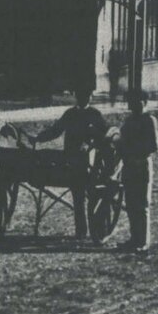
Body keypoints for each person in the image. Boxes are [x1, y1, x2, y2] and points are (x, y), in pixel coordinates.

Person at [30, 82, 110, 239]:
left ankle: (97, 231)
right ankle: (81, 232)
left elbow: (106, 137)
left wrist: (95, 140)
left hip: (92, 164)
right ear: (76, 97)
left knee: (92, 198)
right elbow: (55, 131)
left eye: (86, 96)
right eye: (80, 96)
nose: (83, 99)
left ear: (90, 97)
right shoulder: (70, 114)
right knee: (78, 198)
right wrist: (38, 138)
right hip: (72, 161)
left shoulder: (95, 115)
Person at [116, 89, 158, 253]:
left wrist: (133, 149)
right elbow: (121, 142)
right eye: (132, 103)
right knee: (130, 203)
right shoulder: (128, 122)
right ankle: (134, 238)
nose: (134, 106)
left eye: (137, 102)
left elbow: (154, 145)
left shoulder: (149, 121)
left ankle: (143, 241)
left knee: (141, 205)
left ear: (145, 103)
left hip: (141, 164)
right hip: (129, 165)